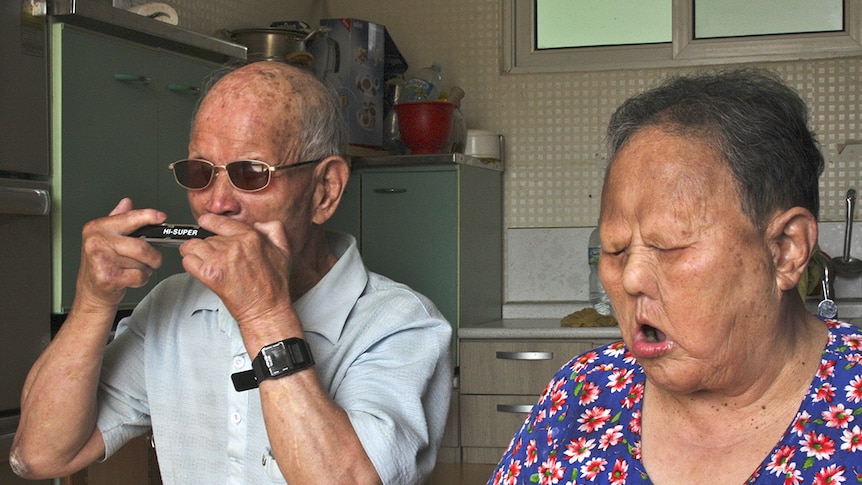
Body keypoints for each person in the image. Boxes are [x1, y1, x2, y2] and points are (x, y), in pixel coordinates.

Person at [11, 61, 453, 484]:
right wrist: (93, 302)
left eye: (250, 172)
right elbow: (39, 455)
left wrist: (264, 316)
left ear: (325, 190)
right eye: (201, 172)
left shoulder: (401, 324)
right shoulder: (172, 305)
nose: (217, 202)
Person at [488, 69, 862, 484]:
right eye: (616, 249)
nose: (630, 279)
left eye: (668, 246)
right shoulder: (582, 391)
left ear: (786, 250)